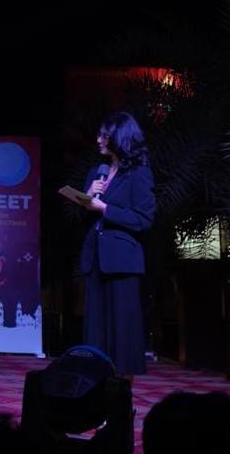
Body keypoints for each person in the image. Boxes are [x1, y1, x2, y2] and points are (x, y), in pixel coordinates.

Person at [78, 111, 155, 379]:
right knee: (95, 335)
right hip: (96, 261)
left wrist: (105, 208)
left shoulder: (138, 174)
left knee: (122, 336)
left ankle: (122, 394)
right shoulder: (96, 173)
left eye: (104, 136)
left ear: (120, 138)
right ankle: (95, 390)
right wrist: (87, 198)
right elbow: (83, 220)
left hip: (122, 263)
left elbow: (143, 219)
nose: (98, 140)